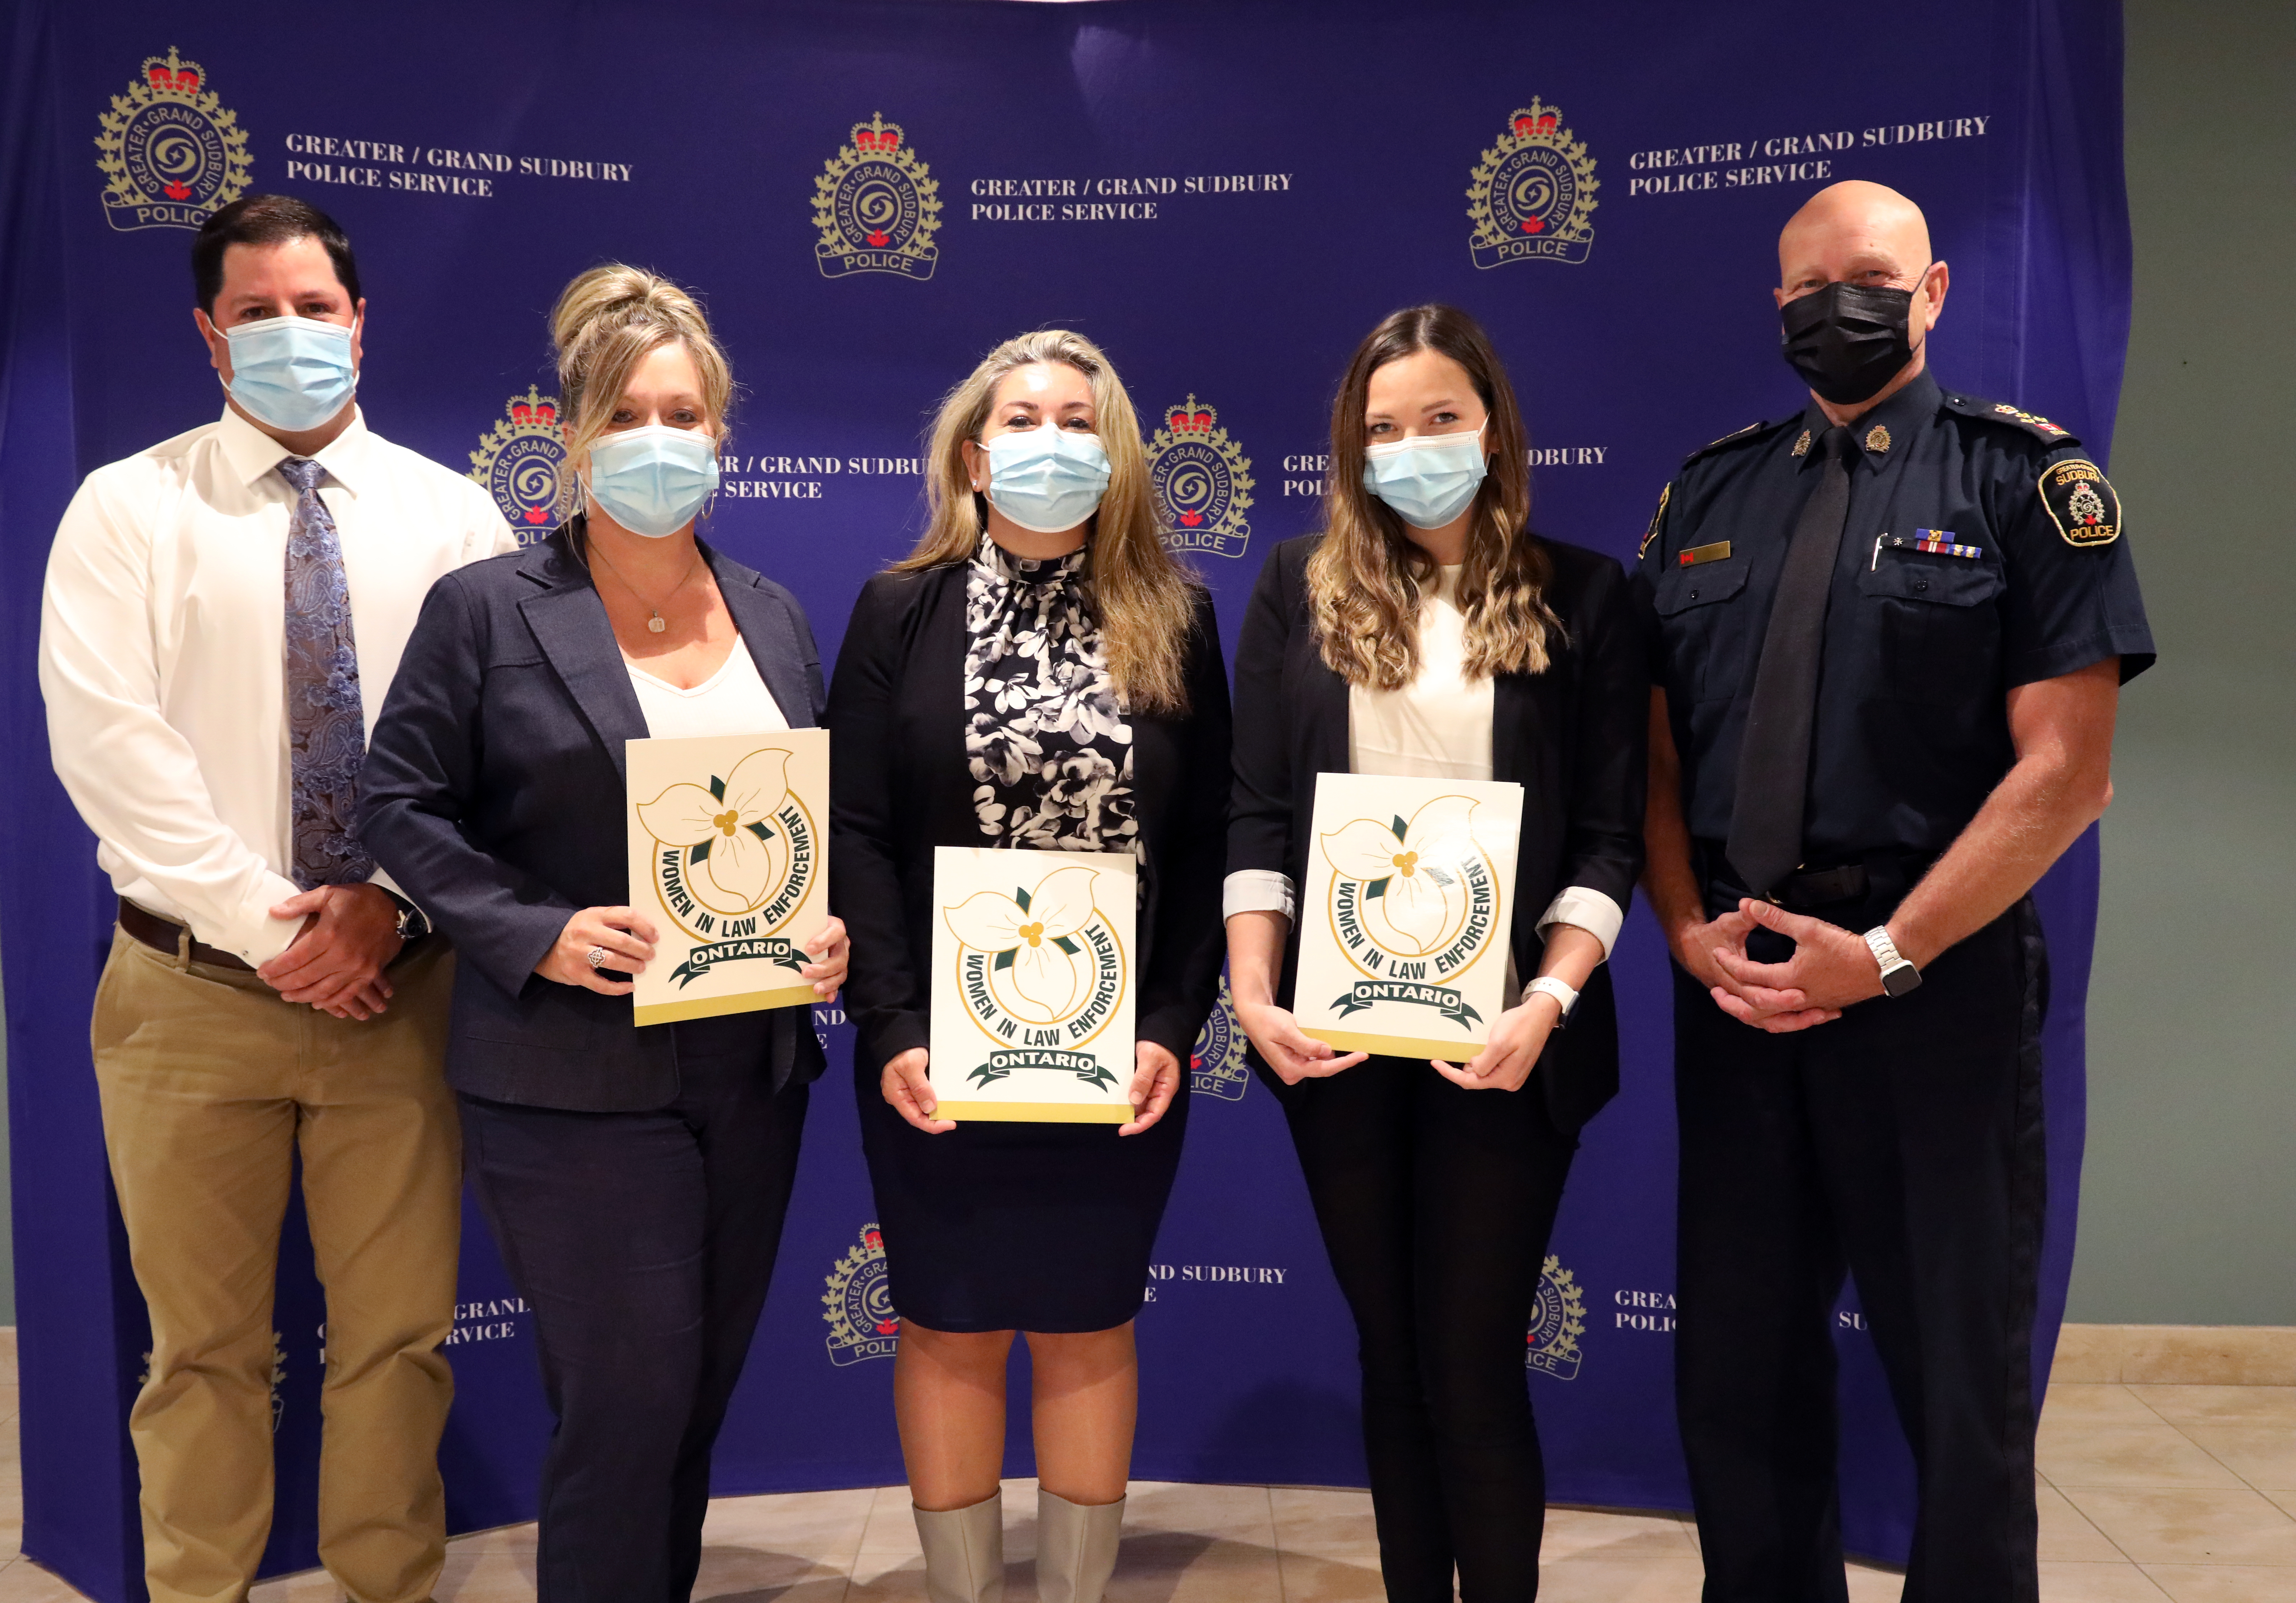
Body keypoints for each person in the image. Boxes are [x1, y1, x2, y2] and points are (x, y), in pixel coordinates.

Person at [1637, 180, 2155, 1600]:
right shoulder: (1708, 492)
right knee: (1739, 1377)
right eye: (1805, 288)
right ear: (1777, 308)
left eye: (1866, 278)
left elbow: (2068, 771)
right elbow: (1658, 759)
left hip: (1937, 986)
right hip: (1743, 983)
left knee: (1959, 1381)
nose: (1833, 306)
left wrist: (1887, 950)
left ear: (1929, 294)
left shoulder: (2026, 483)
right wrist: (1685, 930)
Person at [38, 194, 511, 1603]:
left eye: (315, 309)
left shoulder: (456, 515)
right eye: (257, 313)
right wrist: (281, 923)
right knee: (200, 1350)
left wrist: (389, 907)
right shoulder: (129, 509)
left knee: (398, 1338)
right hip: (186, 998)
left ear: (360, 323)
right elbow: (111, 748)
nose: (291, 334)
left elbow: (502, 749)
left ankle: (386, 1582)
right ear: (208, 334)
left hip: (405, 994)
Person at [356, 265, 849, 1603]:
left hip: (748, 1074)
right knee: (624, 1408)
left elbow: (797, 828)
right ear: (574, 437)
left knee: (691, 1405)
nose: (659, 438)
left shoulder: (776, 616)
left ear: (721, 436)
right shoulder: (488, 609)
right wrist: (540, 930)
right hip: (570, 1076)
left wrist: (823, 934)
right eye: (628, 411)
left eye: (684, 412)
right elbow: (395, 805)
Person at [1224, 304, 1645, 1601]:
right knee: (1391, 1354)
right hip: (1339, 1040)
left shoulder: (1584, 594)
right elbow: (1253, 813)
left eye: (1440, 419)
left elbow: (1610, 835)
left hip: (1508, 1045)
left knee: (1470, 1358)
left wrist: (1551, 1001)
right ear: (1354, 449)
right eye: (1384, 428)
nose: (1413, 447)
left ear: (1494, 428)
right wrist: (1251, 988)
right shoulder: (1298, 585)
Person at [829, 328, 1230, 1603]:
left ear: (1111, 456)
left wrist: (1173, 1019)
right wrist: (890, 1024)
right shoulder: (899, 609)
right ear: (973, 450)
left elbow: (1216, 836)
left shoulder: (1179, 614)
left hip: (1118, 1054)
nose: (1048, 439)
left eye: (1076, 418)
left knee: (1087, 1316)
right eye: (1022, 416)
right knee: (947, 1320)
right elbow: (856, 827)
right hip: (938, 1049)